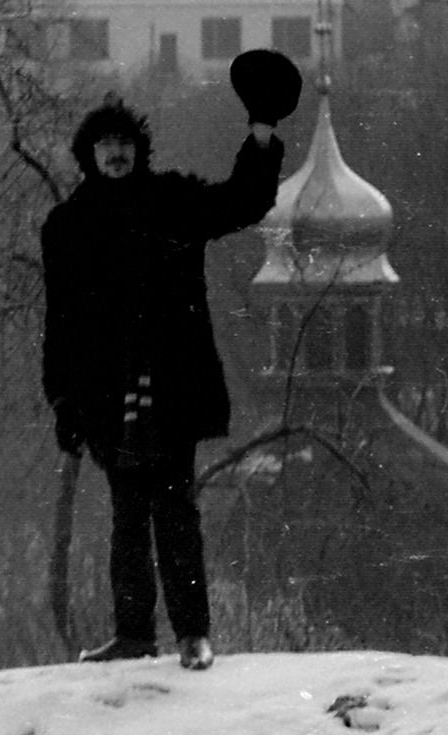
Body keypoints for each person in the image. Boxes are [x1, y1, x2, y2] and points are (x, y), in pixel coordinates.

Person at [41, 95, 285, 672]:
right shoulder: (67, 227)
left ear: (139, 150)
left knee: (175, 512)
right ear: (88, 154)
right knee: (127, 517)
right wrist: (63, 402)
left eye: (124, 143)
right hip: (105, 393)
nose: (116, 153)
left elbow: (244, 201)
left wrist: (261, 138)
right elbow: (61, 321)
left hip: (173, 382)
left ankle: (193, 634)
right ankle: (133, 635)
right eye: (106, 144)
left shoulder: (172, 201)